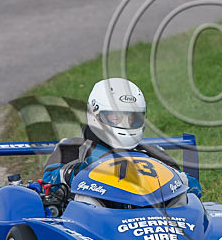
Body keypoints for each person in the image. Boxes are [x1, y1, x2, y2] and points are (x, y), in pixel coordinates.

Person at [41, 78, 202, 199]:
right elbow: (49, 182)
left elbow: (193, 190)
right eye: (116, 117)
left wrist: (176, 179)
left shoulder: (152, 151)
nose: (125, 123)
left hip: (149, 220)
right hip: (96, 220)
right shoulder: (74, 147)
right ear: (95, 114)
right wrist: (83, 173)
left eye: (132, 118)